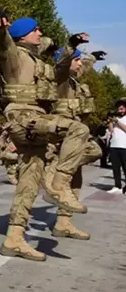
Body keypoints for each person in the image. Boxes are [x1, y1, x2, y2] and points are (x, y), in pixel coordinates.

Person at [0, 12, 89, 261]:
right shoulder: (14, 56)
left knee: (30, 179)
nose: (41, 34)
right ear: (24, 35)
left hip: (36, 118)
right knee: (79, 130)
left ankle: (14, 237)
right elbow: (2, 41)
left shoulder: (39, 62)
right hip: (24, 116)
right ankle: (59, 185)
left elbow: (61, 73)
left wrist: (70, 47)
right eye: (36, 30)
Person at [46, 38, 106, 239]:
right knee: (95, 151)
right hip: (64, 134)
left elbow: (83, 68)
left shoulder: (73, 81)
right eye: (77, 60)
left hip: (75, 135)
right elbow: (63, 64)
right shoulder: (61, 79)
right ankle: (55, 171)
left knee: (76, 179)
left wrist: (92, 59)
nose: (80, 64)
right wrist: (71, 47)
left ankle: (64, 222)